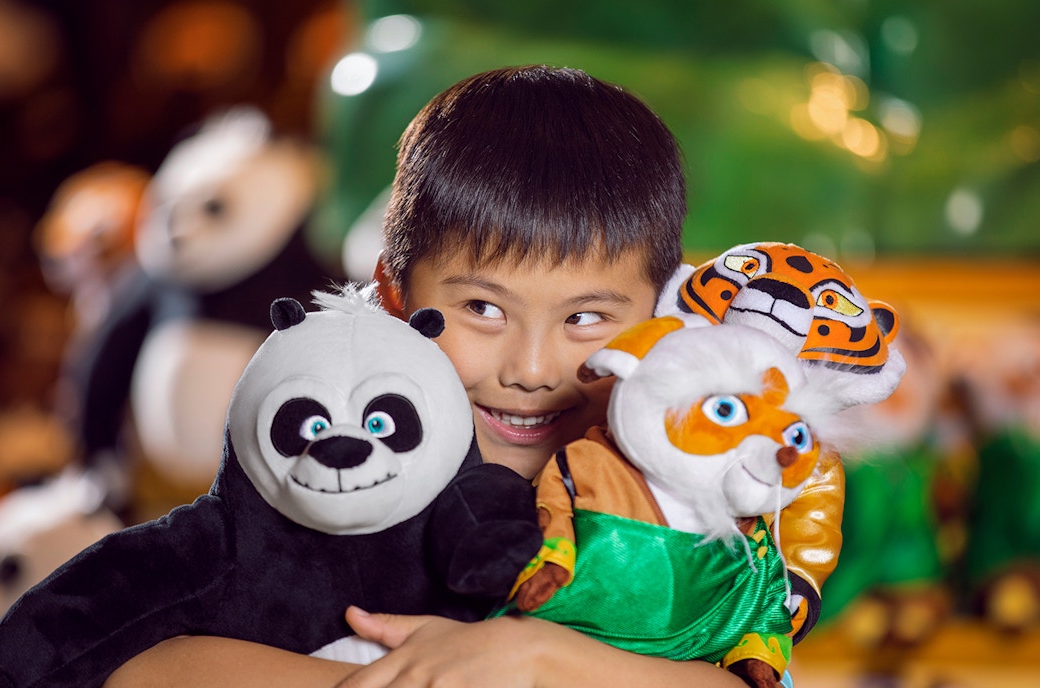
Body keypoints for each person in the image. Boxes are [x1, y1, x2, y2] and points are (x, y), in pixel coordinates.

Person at [106, 65, 748, 688]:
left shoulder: (694, 488)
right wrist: (430, 674)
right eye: (483, 309)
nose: (530, 372)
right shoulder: (335, 461)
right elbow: (137, 664)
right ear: (394, 295)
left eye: (584, 318)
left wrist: (536, 660)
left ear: (663, 313)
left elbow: (762, 664)